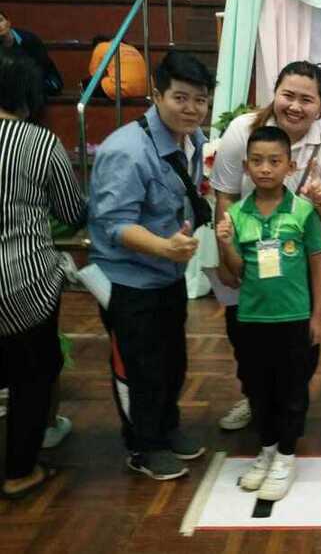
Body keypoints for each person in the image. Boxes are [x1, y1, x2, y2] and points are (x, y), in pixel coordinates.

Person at [89, 50, 213, 481]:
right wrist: (163, 247)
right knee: (138, 366)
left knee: (172, 360)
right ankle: (143, 446)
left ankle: (167, 426)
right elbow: (114, 224)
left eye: (200, 100)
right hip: (129, 280)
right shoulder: (127, 151)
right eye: (181, 98)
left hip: (168, 273)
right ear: (157, 95)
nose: (191, 109)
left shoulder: (193, 139)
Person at [210, 61, 321, 432]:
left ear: (320, 107)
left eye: (307, 99)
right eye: (288, 95)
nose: (295, 106)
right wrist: (227, 255)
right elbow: (224, 194)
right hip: (247, 253)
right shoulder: (243, 131)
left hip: (302, 259)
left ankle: (289, 405)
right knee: (245, 337)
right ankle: (255, 397)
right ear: (274, 94)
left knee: (301, 343)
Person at [216, 126, 321, 501]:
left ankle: (286, 457)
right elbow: (236, 272)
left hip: (294, 319)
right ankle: (266, 451)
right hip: (252, 319)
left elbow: (317, 264)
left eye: (275, 161)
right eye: (257, 161)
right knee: (259, 390)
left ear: (289, 166)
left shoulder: (303, 211)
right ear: (246, 167)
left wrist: (317, 317)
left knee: (292, 390)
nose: (265, 168)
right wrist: (226, 244)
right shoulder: (236, 214)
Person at [0, 52, 85, 498]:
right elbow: (71, 212)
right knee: (32, 375)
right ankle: (20, 471)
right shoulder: (39, 143)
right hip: (23, 283)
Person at [0, 10, 63, 97]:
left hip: (43, 81)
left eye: (0, 20)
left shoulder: (30, 40)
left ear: (8, 23)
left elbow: (43, 68)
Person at [84, 35, 148, 99]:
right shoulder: (131, 48)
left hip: (120, 89)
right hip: (144, 90)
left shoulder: (100, 46)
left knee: (87, 84)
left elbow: (95, 75)